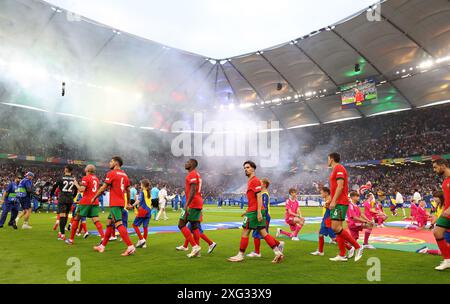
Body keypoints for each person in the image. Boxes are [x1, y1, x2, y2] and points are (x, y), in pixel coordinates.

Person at [228, 161, 284, 263]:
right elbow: (253, 198)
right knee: (263, 232)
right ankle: (278, 252)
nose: (246, 169)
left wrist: (258, 212)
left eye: (248, 167)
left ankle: (240, 255)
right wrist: (247, 211)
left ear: (253, 169)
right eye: (245, 168)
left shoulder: (255, 181)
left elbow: (259, 196)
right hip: (253, 210)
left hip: (254, 212)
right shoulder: (251, 181)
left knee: (245, 231)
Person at [93, 156, 135, 256]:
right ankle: (102, 246)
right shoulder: (125, 175)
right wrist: (128, 202)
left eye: (111, 161)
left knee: (118, 224)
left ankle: (130, 247)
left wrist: (94, 197)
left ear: (116, 163)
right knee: (109, 223)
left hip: (115, 203)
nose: (109, 163)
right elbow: (128, 190)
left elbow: (103, 188)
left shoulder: (111, 173)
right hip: (120, 202)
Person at [327, 152, 363, 262]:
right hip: (337, 201)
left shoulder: (339, 168)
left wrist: (333, 201)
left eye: (328, 158)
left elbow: (340, 186)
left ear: (332, 159)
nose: (327, 160)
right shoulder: (336, 169)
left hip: (340, 202)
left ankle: (357, 247)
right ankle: (342, 254)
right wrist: (330, 200)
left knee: (336, 228)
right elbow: (335, 188)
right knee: (337, 229)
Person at [177, 159, 215, 258]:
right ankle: (197, 252)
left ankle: (194, 246)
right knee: (194, 226)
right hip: (197, 202)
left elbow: (193, 189)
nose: (186, 163)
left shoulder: (192, 174)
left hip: (193, 203)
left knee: (181, 224)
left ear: (193, 164)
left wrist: (187, 204)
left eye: (188, 162)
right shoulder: (196, 174)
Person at [66, 164, 105, 245]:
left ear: (87, 170)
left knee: (76, 218)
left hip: (85, 202)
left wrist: (75, 183)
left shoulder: (86, 178)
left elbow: (81, 189)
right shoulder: (97, 179)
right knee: (96, 220)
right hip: (95, 201)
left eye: (86, 167)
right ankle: (103, 238)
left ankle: (71, 240)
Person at [247, 178, 280, 258]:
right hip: (263, 215)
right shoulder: (262, 193)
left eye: (260, 183)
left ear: (264, 185)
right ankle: (278, 244)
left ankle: (257, 252)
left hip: (263, 215)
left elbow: (264, 207)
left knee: (257, 234)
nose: (259, 184)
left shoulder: (264, 194)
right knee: (264, 234)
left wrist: (260, 215)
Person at [416, 191, 450, 255]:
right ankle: (427, 251)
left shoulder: (445, 205)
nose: (434, 199)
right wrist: (432, 224)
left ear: (441, 197)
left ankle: (426, 250)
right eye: (434, 197)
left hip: (445, 228)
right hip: (444, 229)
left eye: (436, 197)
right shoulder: (438, 206)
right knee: (444, 251)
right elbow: (437, 216)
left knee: (445, 250)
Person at [431, 158, 450, 270]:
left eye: (435, 167)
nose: (435, 170)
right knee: (437, 232)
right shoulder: (445, 182)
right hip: (447, 214)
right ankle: (447, 260)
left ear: (443, 166)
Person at [50, 165, 77, 240]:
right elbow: (76, 190)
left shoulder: (61, 178)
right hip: (70, 199)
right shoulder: (73, 179)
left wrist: (50, 195)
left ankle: (62, 234)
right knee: (66, 215)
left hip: (62, 198)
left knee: (62, 215)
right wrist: (73, 197)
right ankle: (61, 232)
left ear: (66, 170)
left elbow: (54, 187)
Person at [310, 186, 337, 256]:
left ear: (326, 193)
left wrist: (327, 205)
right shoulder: (328, 199)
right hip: (326, 219)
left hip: (328, 220)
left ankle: (350, 247)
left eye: (321, 193)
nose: (321, 195)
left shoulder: (330, 199)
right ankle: (320, 251)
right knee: (320, 234)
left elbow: (332, 209)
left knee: (334, 238)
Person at [131, 179, 152, 249]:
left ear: (143, 185)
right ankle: (144, 243)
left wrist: (132, 205)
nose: (140, 185)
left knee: (134, 225)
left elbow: (139, 200)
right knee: (145, 227)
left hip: (143, 210)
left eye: (141, 184)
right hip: (149, 211)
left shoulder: (142, 192)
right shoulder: (149, 192)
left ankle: (141, 239)